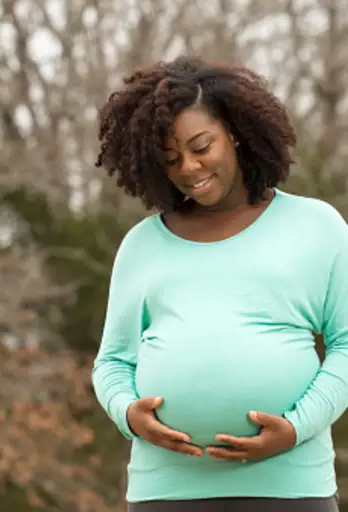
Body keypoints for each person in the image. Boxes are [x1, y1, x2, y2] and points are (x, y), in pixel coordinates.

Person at [91, 56, 348, 512]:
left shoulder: (317, 227)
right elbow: (112, 362)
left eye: (201, 146)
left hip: (291, 487)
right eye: (171, 159)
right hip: (165, 491)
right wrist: (130, 416)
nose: (189, 167)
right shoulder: (142, 245)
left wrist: (295, 427)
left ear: (233, 131)